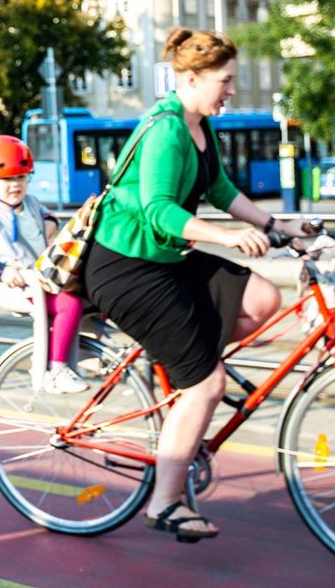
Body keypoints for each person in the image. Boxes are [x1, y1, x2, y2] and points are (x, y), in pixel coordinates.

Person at [83, 27, 311, 542]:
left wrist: (278, 228)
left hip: (164, 260)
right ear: (190, 78)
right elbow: (158, 210)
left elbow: (221, 189)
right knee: (209, 384)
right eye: (225, 81)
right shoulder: (166, 129)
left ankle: (187, 379)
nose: (231, 90)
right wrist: (227, 238)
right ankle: (164, 502)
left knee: (263, 298)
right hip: (126, 269)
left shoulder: (202, 126)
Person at [0, 135, 88, 393]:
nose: (14, 185)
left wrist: (50, 223)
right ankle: (56, 369)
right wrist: (2, 271)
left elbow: (46, 215)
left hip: (43, 278)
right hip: (20, 287)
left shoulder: (29, 203)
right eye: (6, 180)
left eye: (20, 177)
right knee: (69, 304)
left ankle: (88, 351)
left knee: (89, 292)